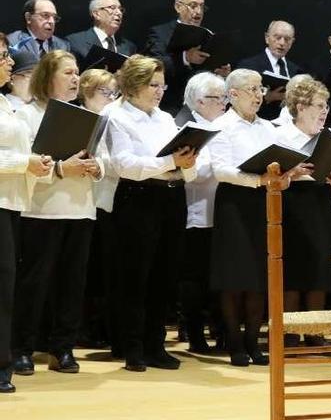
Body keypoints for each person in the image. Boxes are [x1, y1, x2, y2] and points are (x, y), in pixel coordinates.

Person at [105, 55, 199, 372]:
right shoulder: (117, 117)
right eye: (153, 85)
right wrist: (171, 162)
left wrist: (186, 161)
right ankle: (132, 347)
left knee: (165, 274)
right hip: (138, 198)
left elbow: (179, 162)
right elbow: (125, 165)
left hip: (171, 197)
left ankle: (156, 344)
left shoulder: (163, 118)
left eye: (162, 85)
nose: (159, 91)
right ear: (133, 85)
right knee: (135, 275)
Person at [11, 51, 103, 376]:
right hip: (42, 211)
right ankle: (21, 348)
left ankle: (62, 348)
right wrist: (63, 169)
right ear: (48, 76)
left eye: (77, 72)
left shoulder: (86, 114)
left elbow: (103, 160)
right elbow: (25, 165)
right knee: (34, 284)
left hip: (81, 210)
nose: (76, 78)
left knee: (72, 284)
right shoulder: (26, 115)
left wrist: (95, 166)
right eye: (68, 72)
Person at [208, 69, 303, 366]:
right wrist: (258, 180)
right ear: (233, 94)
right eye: (252, 89)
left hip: (265, 204)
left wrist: (286, 176)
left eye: (261, 89)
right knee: (235, 276)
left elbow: (281, 167)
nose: (259, 95)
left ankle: (253, 340)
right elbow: (220, 169)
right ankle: (235, 343)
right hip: (234, 205)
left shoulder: (269, 128)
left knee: (260, 277)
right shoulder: (221, 125)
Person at [274, 76, 331, 348]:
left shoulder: (328, 139)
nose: (325, 110)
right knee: (294, 270)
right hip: (292, 204)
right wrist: (291, 173)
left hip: (320, 203)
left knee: (319, 269)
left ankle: (315, 333)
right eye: (319, 105)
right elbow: (270, 175)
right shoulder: (281, 135)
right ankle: (290, 333)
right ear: (302, 107)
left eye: (326, 106)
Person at [0, 33, 53, 393]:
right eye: (3, 55)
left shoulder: (6, 105)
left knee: (5, 288)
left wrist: (41, 164)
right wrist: (25, 162)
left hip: (10, 202)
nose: (9, 62)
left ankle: (2, 362)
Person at [178, 72, 227, 353]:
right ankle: (195, 333)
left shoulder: (221, 127)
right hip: (196, 215)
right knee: (195, 279)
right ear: (198, 101)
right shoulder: (187, 128)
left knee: (217, 278)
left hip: (220, 214)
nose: (223, 103)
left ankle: (220, 329)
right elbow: (196, 173)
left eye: (224, 98)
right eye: (216, 98)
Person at [77, 68, 120, 349]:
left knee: (103, 268)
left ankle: (100, 327)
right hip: (79, 201)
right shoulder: (78, 118)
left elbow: (110, 159)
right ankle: (81, 327)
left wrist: (101, 165)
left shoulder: (111, 119)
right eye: (106, 92)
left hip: (104, 200)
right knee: (84, 269)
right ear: (88, 91)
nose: (112, 98)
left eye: (115, 93)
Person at [144, 0, 229, 114]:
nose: (198, 11)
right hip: (169, 103)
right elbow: (154, 65)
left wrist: (219, 72)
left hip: (201, 107)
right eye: (193, 6)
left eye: (202, 7)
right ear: (178, 7)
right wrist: (185, 58)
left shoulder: (208, 36)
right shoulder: (160, 33)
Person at [237, 20, 302, 120]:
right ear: (267, 38)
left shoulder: (297, 71)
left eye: (287, 39)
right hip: (256, 122)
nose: (282, 43)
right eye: (277, 37)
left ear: (292, 42)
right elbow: (239, 99)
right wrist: (267, 97)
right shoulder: (248, 66)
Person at [66, 0, 137, 69]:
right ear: (96, 14)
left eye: (120, 9)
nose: (119, 13)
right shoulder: (75, 42)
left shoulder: (129, 47)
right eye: (112, 8)